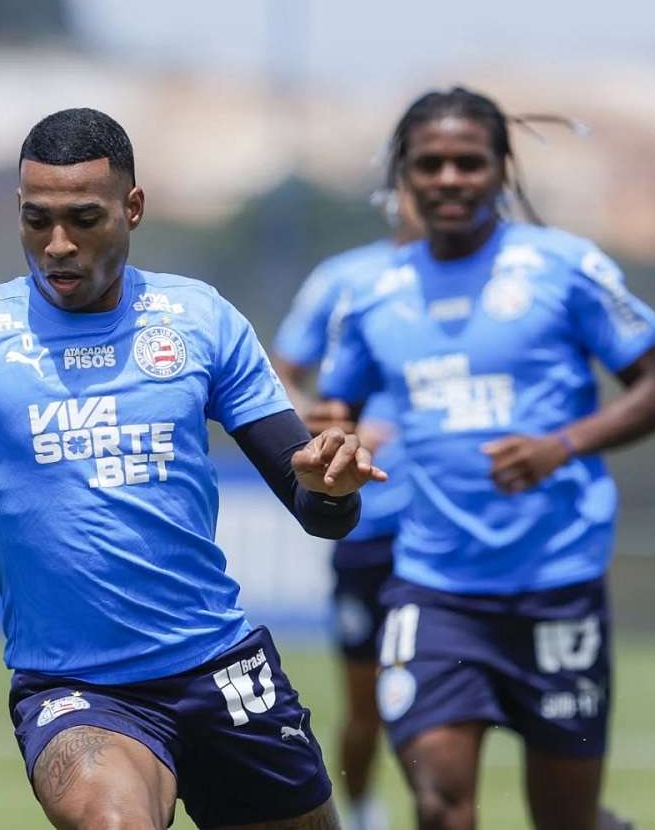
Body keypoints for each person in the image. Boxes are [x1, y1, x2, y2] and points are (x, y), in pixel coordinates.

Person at [0, 107, 387, 830]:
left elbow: (318, 508)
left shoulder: (199, 320)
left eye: (84, 218)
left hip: (220, 669)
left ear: (132, 209)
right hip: (77, 691)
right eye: (36, 220)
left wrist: (331, 490)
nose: (57, 245)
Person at [317, 86, 655, 830]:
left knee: (565, 821)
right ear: (404, 175)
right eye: (431, 164)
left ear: (501, 168)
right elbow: (336, 412)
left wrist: (562, 445)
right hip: (433, 588)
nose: (450, 179)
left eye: (469, 162)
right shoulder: (370, 297)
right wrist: (335, 441)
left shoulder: (566, 268)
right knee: (439, 804)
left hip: (557, 587)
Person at [270, 187, 423, 830]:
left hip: (446, 536)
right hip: (368, 525)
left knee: (430, 703)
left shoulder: (507, 283)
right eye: (418, 174)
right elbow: (279, 374)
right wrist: (320, 423)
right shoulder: (346, 280)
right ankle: (362, 815)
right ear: (395, 191)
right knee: (368, 708)